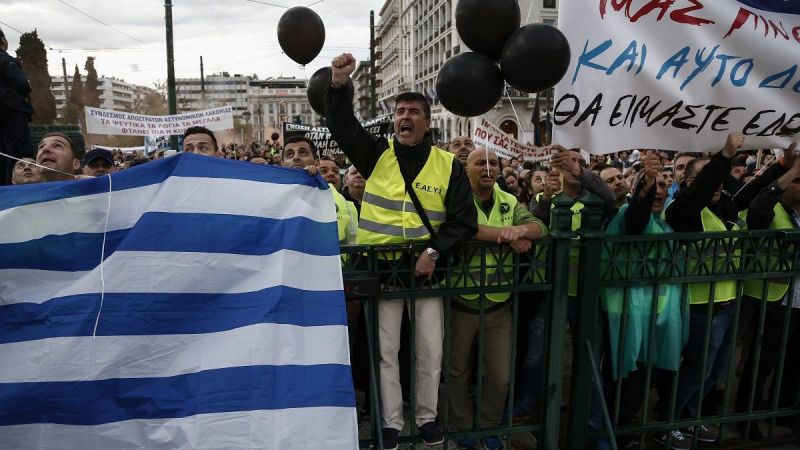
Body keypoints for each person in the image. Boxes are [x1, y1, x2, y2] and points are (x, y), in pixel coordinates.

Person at [327, 52, 477, 450]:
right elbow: (342, 125)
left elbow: (463, 221)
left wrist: (434, 251)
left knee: (430, 350)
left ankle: (427, 418)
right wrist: (340, 86)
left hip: (429, 270)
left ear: (428, 122)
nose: (404, 118)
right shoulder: (375, 155)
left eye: (413, 111)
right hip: (384, 270)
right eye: (399, 112)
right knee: (385, 351)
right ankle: (391, 422)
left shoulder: (449, 165)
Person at [448, 148, 547, 450]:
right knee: (457, 370)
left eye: (494, 163)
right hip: (461, 299)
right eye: (481, 163)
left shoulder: (509, 200)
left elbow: (540, 227)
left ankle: (489, 425)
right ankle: (462, 424)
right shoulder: (457, 198)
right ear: (467, 170)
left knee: (500, 374)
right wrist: (508, 237)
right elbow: (464, 229)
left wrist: (520, 229)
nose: (488, 168)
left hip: (499, 301)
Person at [283, 135, 358, 245]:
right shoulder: (272, 196)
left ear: (316, 163)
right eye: (289, 154)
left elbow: (353, 244)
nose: (296, 157)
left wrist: (312, 181)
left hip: (335, 261)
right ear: (282, 164)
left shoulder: (335, 197)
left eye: (303, 152)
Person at [0, 26, 34, 186]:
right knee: (18, 155)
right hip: (12, 113)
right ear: (3, 41)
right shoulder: (6, 60)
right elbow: (22, 84)